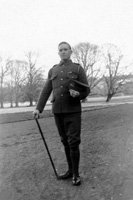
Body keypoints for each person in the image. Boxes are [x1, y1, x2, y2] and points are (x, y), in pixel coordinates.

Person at [33, 42, 90, 186]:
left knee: (73, 142)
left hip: (73, 111)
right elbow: (46, 90)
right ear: (58, 53)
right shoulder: (53, 70)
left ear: (71, 51)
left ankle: (76, 175)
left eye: (65, 50)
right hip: (58, 111)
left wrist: (78, 94)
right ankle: (70, 170)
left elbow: (86, 90)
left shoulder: (77, 68)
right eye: (60, 50)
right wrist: (38, 108)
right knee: (65, 141)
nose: (63, 52)